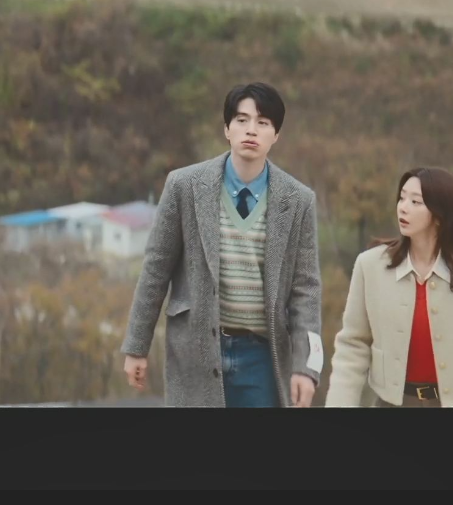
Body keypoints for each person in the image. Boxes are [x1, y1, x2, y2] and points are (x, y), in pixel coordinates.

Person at [120, 82, 324, 407]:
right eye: (241, 120)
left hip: (262, 358)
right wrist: (136, 346)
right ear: (227, 128)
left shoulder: (298, 200)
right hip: (195, 352)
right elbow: (156, 269)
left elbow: (306, 291)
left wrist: (306, 367)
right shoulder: (185, 186)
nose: (251, 130)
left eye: (263, 122)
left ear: (276, 134)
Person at [325, 166, 453, 408]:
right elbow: (352, 346)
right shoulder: (370, 266)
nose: (403, 207)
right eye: (402, 198)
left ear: (440, 216)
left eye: (415, 202)